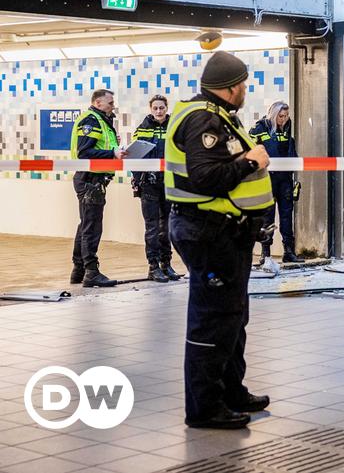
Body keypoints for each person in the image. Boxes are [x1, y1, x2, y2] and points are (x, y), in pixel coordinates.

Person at [165, 51, 274, 430]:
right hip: (208, 231)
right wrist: (252, 161)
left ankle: (230, 390)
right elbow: (206, 177)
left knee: (232, 316)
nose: (245, 90)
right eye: (243, 84)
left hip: (223, 231)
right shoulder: (202, 120)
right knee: (212, 321)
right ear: (230, 89)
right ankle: (205, 407)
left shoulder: (218, 115)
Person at [70, 89, 126, 287]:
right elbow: (84, 152)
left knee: (86, 224)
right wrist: (112, 152)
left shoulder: (101, 119)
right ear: (98, 102)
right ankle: (91, 272)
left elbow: (95, 148)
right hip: (90, 180)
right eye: (110, 102)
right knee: (92, 226)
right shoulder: (91, 120)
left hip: (93, 179)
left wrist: (114, 148)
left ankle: (79, 271)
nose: (113, 106)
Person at [131, 95, 183, 283]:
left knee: (167, 227)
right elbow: (133, 157)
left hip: (168, 184)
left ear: (166, 108)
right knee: (152, 227)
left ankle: (166, 264)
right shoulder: (142, 129)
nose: (159, 111)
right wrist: (137, 180)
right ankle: (153, 267)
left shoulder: (173, 127)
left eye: (162, 108)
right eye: (155, 108)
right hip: (149, 184)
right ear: (151, 109)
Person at [249, 101, 299, 263]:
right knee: (267, 217)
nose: (283, 119)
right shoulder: (260, 128)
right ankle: (266, 253)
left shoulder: (287, 127)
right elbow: (249, 148)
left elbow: (291, 150)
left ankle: (289, 252)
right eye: (280, 116)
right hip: (267, 178)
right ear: (273, 114)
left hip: (285, 179)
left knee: (286, 216)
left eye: (286, 116)